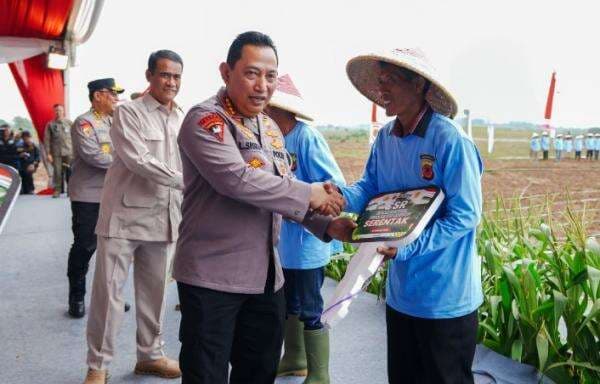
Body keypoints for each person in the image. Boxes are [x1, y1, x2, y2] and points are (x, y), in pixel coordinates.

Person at [174, 31, 349, 384]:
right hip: (213, 278)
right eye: (252, 73)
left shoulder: (270, 127)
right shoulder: (205, 121)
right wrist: (310, 192)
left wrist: (327, 226)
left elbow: (278, 193)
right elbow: (237, 180)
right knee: (206, 373)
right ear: (226, 72)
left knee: (258, 372)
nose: (262, 86)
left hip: (267, 278)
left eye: (270, 76)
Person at [335, 48, 483, 384]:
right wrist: (339, 196)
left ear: (418, 85)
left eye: (390, 82)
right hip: (402, 295)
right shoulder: (386, 138)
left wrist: (409, 248)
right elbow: (370, 188)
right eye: (379, 82)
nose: (381, 90)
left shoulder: (450, 141)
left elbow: (465, 215)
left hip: (445, 296)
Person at [83, 50, 186, 384]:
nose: (171, 82)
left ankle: (150, 355)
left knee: (155, 294)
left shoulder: (182, 116)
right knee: (108, 295)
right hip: (123, 219)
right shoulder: (127, 112)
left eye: (176, 76)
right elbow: (138, 159)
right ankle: (98, 365)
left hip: (164, 217)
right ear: (149, 76)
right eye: (164, 75)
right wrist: (189, 182)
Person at [265, 74, 345, 384]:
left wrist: (303, 198)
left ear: (282, 110)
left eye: (268, 109)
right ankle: (295, 358)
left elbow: (332, 185)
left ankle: (320, 374)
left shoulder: (306, 137)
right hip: (283, 242)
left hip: (308, 240)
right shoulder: (271, 140)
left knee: (311, 305)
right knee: (288, 303)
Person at [66, 78, 125, 319]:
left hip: (114, 194)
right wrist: (128, 163)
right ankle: (76, 296)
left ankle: (110, 297)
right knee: (85, 246)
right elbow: (93, 156)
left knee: (114, 248)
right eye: (112, 93)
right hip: (89, 196)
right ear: (98, 95)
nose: (116, 98)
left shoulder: (116, 122)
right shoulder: (84, 123)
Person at [44, 103, 73, 197]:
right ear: (54, 111)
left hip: (69, 152)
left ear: (63, 111)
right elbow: (47, 140)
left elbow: (75, 137)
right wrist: (48, 153)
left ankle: (71, 190)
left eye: (60, 110)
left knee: (70, 171)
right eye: (56, 110)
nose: (58, 112)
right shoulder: (50, 124)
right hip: (56, 153)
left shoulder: (69, 123)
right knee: (57, 172)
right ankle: (57, 190)